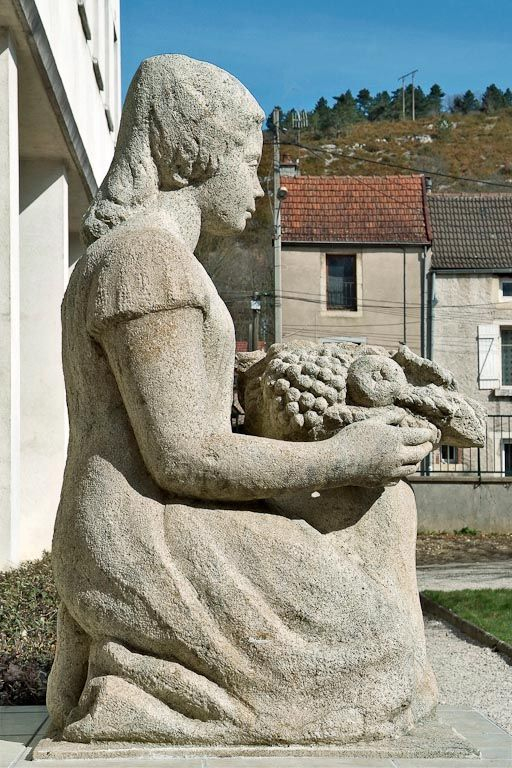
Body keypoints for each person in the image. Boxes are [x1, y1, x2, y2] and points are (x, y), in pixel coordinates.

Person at [47, 55, 435, 748]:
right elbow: (181, 456)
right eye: (247, 162)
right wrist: (342, 456)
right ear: (195, 156)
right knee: (375, 651)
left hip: (157, 514)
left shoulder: (155, 260)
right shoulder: (145, 261)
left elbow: (184, 411)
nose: (260, 188)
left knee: (379, 519)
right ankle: (144, 693)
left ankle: (155, 682)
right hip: (142, 530)